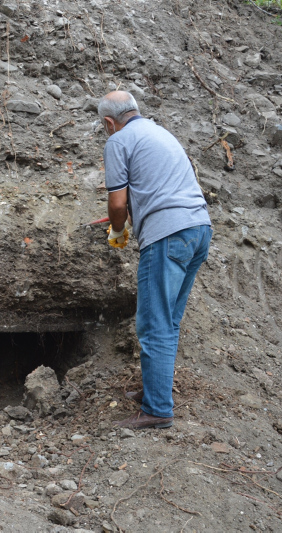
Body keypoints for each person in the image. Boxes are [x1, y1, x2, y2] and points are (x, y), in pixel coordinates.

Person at [97, 91, 212, 429]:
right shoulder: (160, 133)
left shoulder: (118, 141)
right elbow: (156, 190)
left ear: (108, 122)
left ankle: (158, 411)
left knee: (154, 324)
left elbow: (118, 204)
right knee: (169, 321)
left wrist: (118, 231)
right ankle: (154, 389)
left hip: (167, 236)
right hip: (198, 230)